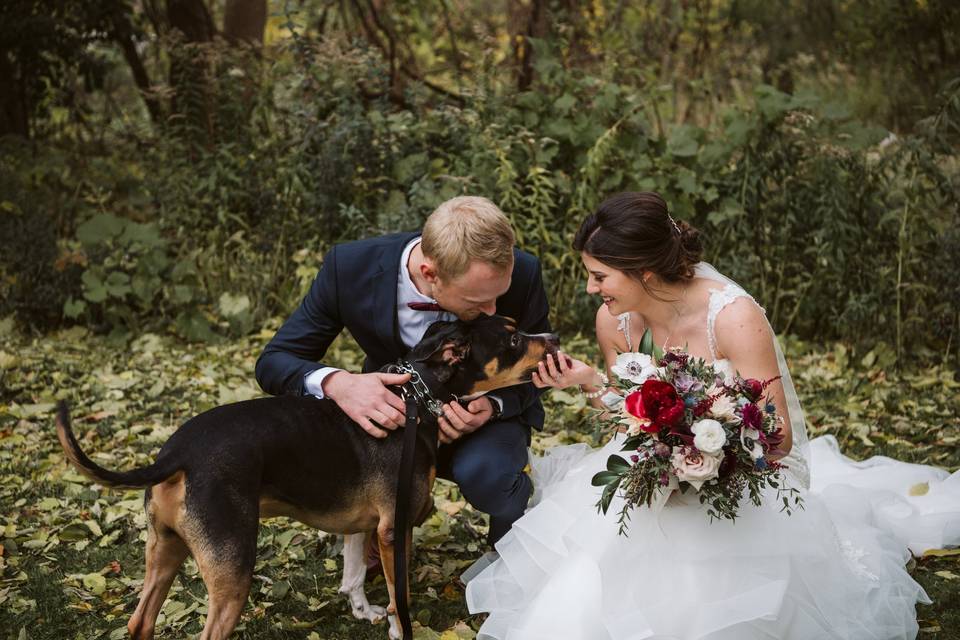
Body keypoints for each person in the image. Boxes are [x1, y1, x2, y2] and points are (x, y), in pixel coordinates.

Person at [465, 191, 960, 640]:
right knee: (586, 583)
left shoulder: (733, 317)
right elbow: (625, 419)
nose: (592, 290)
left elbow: (778, 435)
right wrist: (590, 382)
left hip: (735, 479)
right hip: (648, 477)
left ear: (644, 272)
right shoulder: (612, 320)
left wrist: (703, 452)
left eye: (600, 276)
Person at [255, 196, 551, 545]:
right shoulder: (349, 267)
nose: (492, 310)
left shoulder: (524, 271)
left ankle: (509, 554)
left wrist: (494, 406)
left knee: (491, 475)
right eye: (476, 302)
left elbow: (542, 366)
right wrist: (339, 383)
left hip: (477, 430)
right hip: (389, 423)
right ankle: (371, 531)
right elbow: (275, 360)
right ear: (430, 273)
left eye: (499, 296)